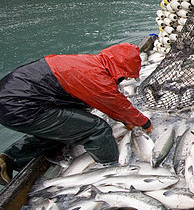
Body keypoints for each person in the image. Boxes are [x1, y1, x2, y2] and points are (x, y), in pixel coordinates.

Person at [0, 43, 152, 183]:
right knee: (97, 129)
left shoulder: (91, 63)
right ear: (120, 70)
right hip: (19, 106)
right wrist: (145, 123)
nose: (124, 79)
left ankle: (10, 158)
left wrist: (126, 119)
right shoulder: (97, 76)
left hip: (12, 99)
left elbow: (112, 105)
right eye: (125, 76)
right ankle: (109, 169)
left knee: (66, 129)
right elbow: (118, 106)